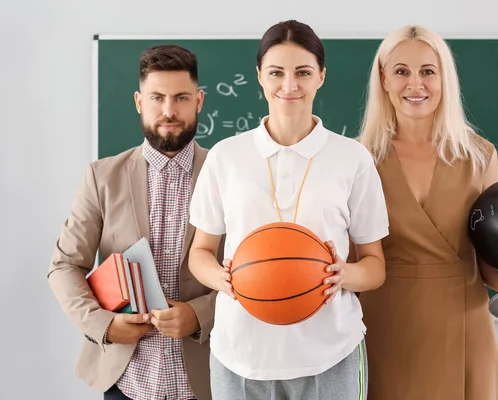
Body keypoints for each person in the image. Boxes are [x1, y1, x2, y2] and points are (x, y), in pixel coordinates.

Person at [355, 25, 498, 400]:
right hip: (382, 325)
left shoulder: (479, 154)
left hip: (463, 323)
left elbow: (486, 261)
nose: (415, 84)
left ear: (444, 79)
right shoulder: (356, 158)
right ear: (384, 78)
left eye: (428, 71)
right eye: (402, 71)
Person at [187, 19, 389, 400]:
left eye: (303, 72)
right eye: (277, 72)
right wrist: (222, 278)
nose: (289, 85)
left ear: (321, 77)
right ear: (260, 76)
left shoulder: (352, 158)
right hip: (239, 354)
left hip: (332, 353)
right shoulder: (225, 157)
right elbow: (199, 254)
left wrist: (343, 275)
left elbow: (376, 267)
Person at [47, 44, 218, 400]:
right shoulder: (102, 177)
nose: (169, 111)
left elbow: (252, 275)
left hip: (209, 381)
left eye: (181, 98)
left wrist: (200, 314)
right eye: (157, 98)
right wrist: (104, 325)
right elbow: (64, 266)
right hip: (126, 381)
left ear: (199, 101)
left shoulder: (228, 174)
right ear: (140, 102)